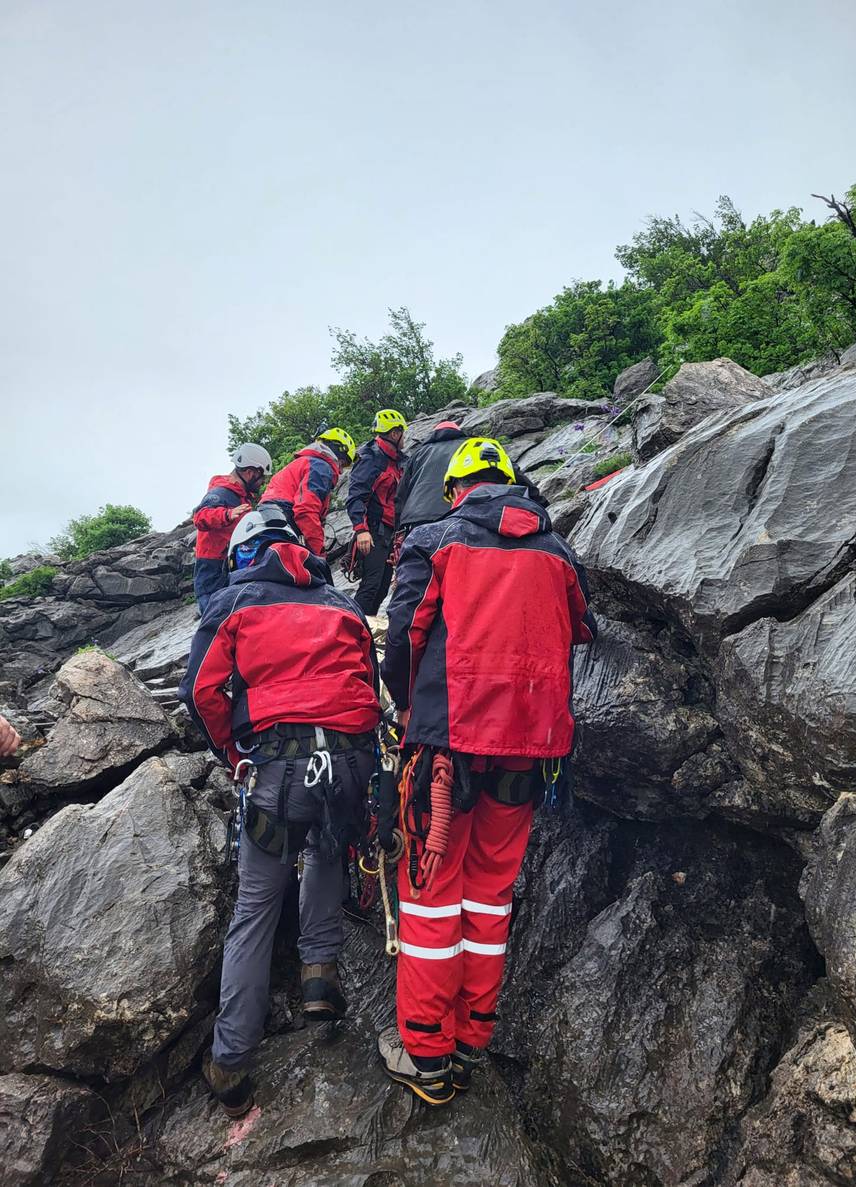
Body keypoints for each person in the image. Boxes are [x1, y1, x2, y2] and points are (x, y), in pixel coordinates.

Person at [377, 437, 596, 1106]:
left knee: (432, 898)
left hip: (446, 751)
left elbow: (404, 640)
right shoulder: (556, 552)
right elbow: (581, 628)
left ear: (456, 489)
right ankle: (473, 1037)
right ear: (512, 480)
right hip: (527, 757)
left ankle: (427, 1053)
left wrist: (413, 716)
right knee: (488, 898)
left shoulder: (436, 539)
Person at [178, 505, 381, 1118]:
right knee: (325, 850)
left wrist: (233, 749)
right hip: (346, 765)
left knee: (257, 904)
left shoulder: (232, 605)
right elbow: (368, 683)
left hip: (274, 768)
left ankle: (232, 1059)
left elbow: (200, 691)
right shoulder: (341, 604)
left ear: (242, 554)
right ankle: (319, 973)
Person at [394, 420, 546, 536]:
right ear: (458, 431)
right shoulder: (470, 447)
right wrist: (539, 501)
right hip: (460, 515)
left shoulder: (418, 454)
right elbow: (512, 472)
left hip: (417, 522)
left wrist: (397, 527)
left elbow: (401, 494)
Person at [192, 443, 273, 611]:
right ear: (250, 472)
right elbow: (200, 517)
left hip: (230, 563)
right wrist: (227, 514)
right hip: (213, 569)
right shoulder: (220, 493)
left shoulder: (241, 497)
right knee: (216, 618)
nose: (262, 482)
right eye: (261, 477)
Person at [260, 428, 357, 558]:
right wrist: (319, 554)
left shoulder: (302, 462)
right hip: (284, 516)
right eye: (343, 463)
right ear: (336, 453)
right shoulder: (320, 467)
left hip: (268, 516)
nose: (340, 471)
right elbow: (305, 511)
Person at [346, 409, 406, 615]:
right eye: (403, 434)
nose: (404, 438)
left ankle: (366, 632)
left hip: (389, 533)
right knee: (371, 585)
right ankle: (354, 628)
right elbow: (356, 496)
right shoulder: (371, 458)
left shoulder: (397, 461)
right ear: (395, 434)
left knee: (381, 588)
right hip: (373, 530)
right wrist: (361, 530)